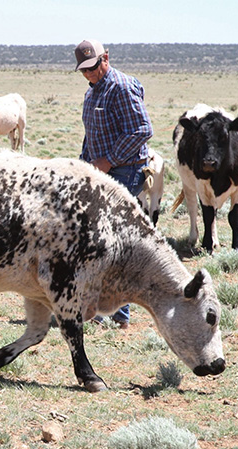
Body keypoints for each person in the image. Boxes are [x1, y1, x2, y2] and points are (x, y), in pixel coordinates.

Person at [75, 39, 153, 329]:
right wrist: (84, 164)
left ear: (105, 58)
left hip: (125, 171)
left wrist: (108, 160)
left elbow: (143, 129)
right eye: (83, 70)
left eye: (93, 67)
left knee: (114, 242)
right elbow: (91, 133)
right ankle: (98, 309)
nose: (89, 74)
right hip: (100, 173)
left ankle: (119, 316)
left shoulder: (121, 86)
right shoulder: (92, 91)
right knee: (99, 240)